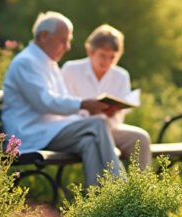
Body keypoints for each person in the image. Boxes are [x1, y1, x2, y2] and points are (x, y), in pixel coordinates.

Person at [2, 11, 124, 188]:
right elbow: (45, 102)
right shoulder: (26, 62)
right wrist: (84, 105)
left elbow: (62, 100)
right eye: (63, 40)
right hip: (31, 134)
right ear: (44, 36)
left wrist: (88, 110)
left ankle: (97, 205)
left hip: (50, 130)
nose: (67, 47)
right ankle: (123, 190)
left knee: (89, 142)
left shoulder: (48, 64)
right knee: (98, 125)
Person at [62, 24, 153, 170]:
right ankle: (110, 187)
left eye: (112, 57)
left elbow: (119, 117)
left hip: (110, 129)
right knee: (93, 139)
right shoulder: (71, 69)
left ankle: (142, 188)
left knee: (140, 138)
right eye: (102, 55)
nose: (107, 61)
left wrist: (112, 112)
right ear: (91, 52)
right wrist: (89, 112)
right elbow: (63, 105)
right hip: (80, 130)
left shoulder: (121, 76)